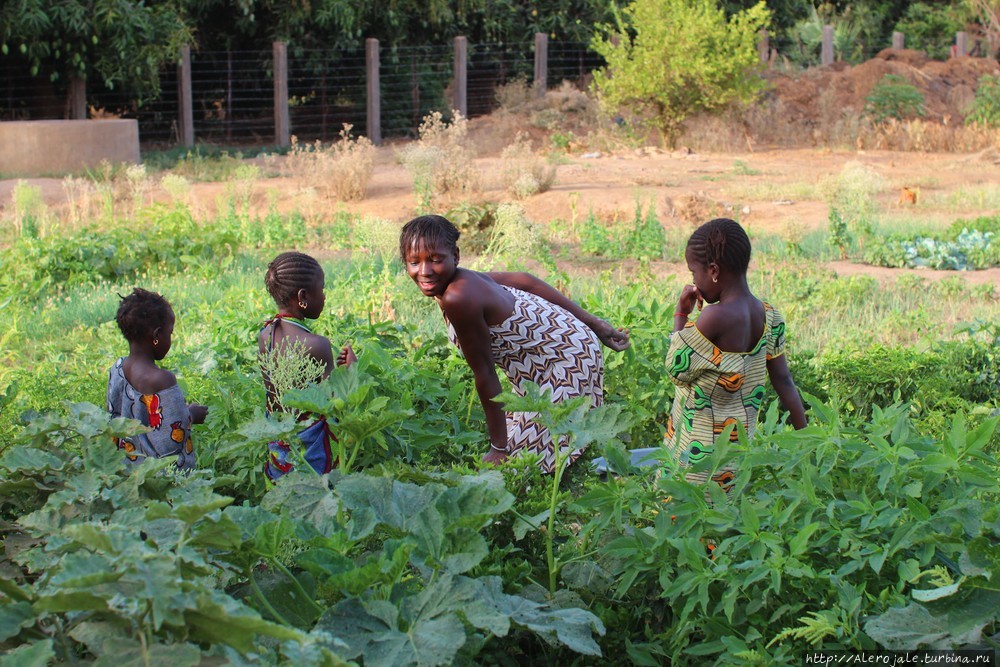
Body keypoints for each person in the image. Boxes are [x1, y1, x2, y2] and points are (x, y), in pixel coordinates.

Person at [400, 214, 631, 473]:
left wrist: (498, 448)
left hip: (567, 357)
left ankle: (564, 481)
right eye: (413, 262)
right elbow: (525, 280)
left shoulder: (459, 296)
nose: (424, 271)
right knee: (524, 439)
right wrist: (594, 324)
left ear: (455, 255)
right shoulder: (457, 280)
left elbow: (485, 373)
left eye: (435, 259)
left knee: (518, 466)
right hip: (550, 352)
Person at [665, 218, 806, 492]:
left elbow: (675, 369)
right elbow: (784, 382)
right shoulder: (770, 316)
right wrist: (808, 439)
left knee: (685, 528)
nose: (693, 281)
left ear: (714, 271)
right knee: (725, 527)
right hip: (737, 460)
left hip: (695, 460)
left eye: (694, 273)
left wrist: (681, 314)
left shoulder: (713, 318)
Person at [260, 251, 355, 480]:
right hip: (309, 447)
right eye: (321, 289)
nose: (323, 296)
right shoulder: (316, 344)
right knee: (315, 492)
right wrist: (351, 370)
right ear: (302, 296)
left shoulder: (266, 334)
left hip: (280, 439)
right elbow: (336, 402)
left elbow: (275, 396)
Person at [107, 288, 208, 470]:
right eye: (170, 333)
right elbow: (170, 441)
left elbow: (114, 416)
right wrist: (191, 415)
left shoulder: (118, 367)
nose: (170, 338)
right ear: (156, 336)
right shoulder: (162, 381)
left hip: (127, 471)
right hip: (161, 483)